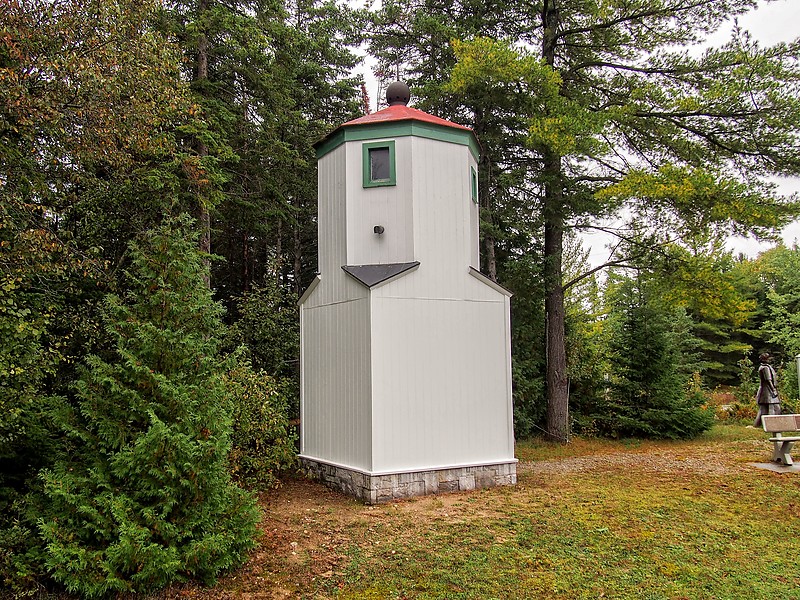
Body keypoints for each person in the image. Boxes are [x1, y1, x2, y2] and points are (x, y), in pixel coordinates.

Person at [754, 352, 781, 427]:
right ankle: (772, 425)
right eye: (768, 358)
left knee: (763, 409)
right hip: (768, 391)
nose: (769, 359)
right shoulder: (765, 368)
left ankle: (757, 425)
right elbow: (768, 380)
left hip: (765, 390)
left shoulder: (765, 367)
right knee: (775, 407)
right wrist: (773, 390)